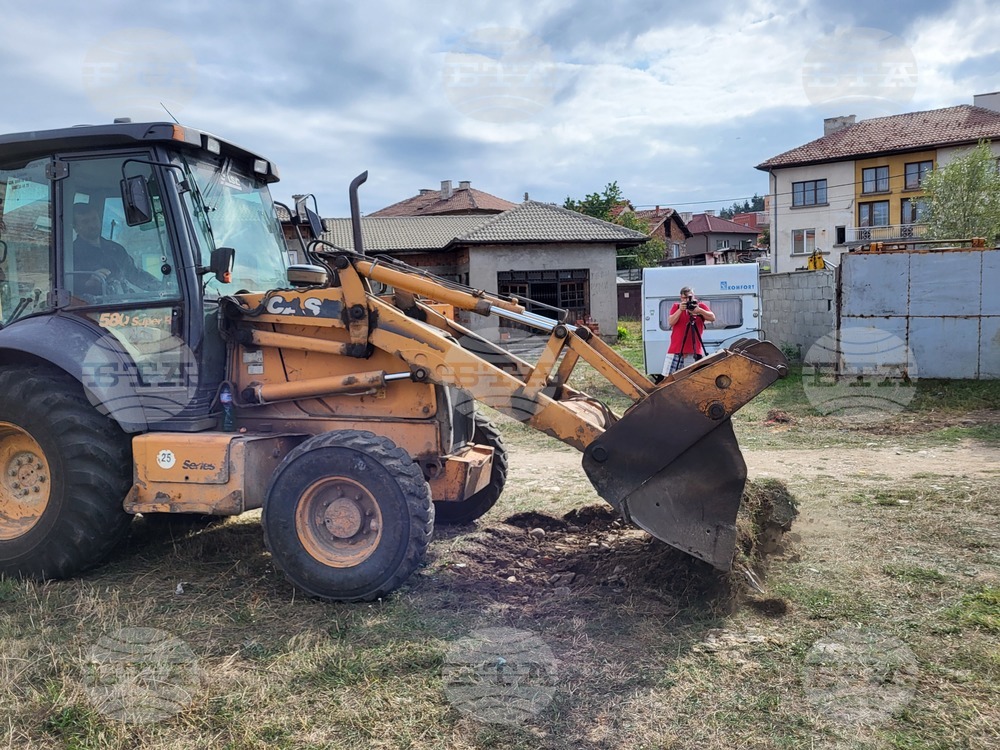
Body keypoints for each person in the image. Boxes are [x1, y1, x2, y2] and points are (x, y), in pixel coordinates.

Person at [72, 202, 160, 296]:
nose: (92, 225)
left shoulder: (115, 249)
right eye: (85, 222)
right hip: (91, 307)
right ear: (76, 228)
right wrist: (89, 283)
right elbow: (68, 288)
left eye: (94, 219)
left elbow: (134, 274)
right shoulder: (72, 254)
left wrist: (161, 287)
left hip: (121, 303)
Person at [661, 286, 716, 376]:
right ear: (681, 298)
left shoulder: (700, 306)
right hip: (676, 349)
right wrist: (680, 310)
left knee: (693, 379)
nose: (687, 300)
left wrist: (700, 311)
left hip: (694, 350)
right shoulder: (676, 306)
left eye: (689, 297)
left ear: (694, 296)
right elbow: (671, 322)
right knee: (669, 378)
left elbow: (712, 318)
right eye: (684, 298)